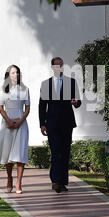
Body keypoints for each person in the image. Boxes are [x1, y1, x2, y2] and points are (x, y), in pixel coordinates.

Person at [39, 57, 82, 193]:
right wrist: (42, 124)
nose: (59, 68)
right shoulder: (46, 84)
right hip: (51, 124)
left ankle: (63, 182)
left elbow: (78, 101)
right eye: (56, 66)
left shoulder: (71, 82)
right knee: (55, 152)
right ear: (52, 68)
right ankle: (56, 181)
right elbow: (42, 106)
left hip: (67, 123)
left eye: (61, 65)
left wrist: (76, 102)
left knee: (65, 152)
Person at [0, 65, 30, 194]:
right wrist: (8, 120)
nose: (15, 75)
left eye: (17, 73)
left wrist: (20, 120)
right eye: (13, 73)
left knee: (20, 154)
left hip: (21, 124)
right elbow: (0, 108)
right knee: (7, 153)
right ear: (8, 75)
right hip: (6, 124)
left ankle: (19, 183)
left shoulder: (25, 89)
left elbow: (27, 108)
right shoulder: (3, 90)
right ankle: (9, 178)